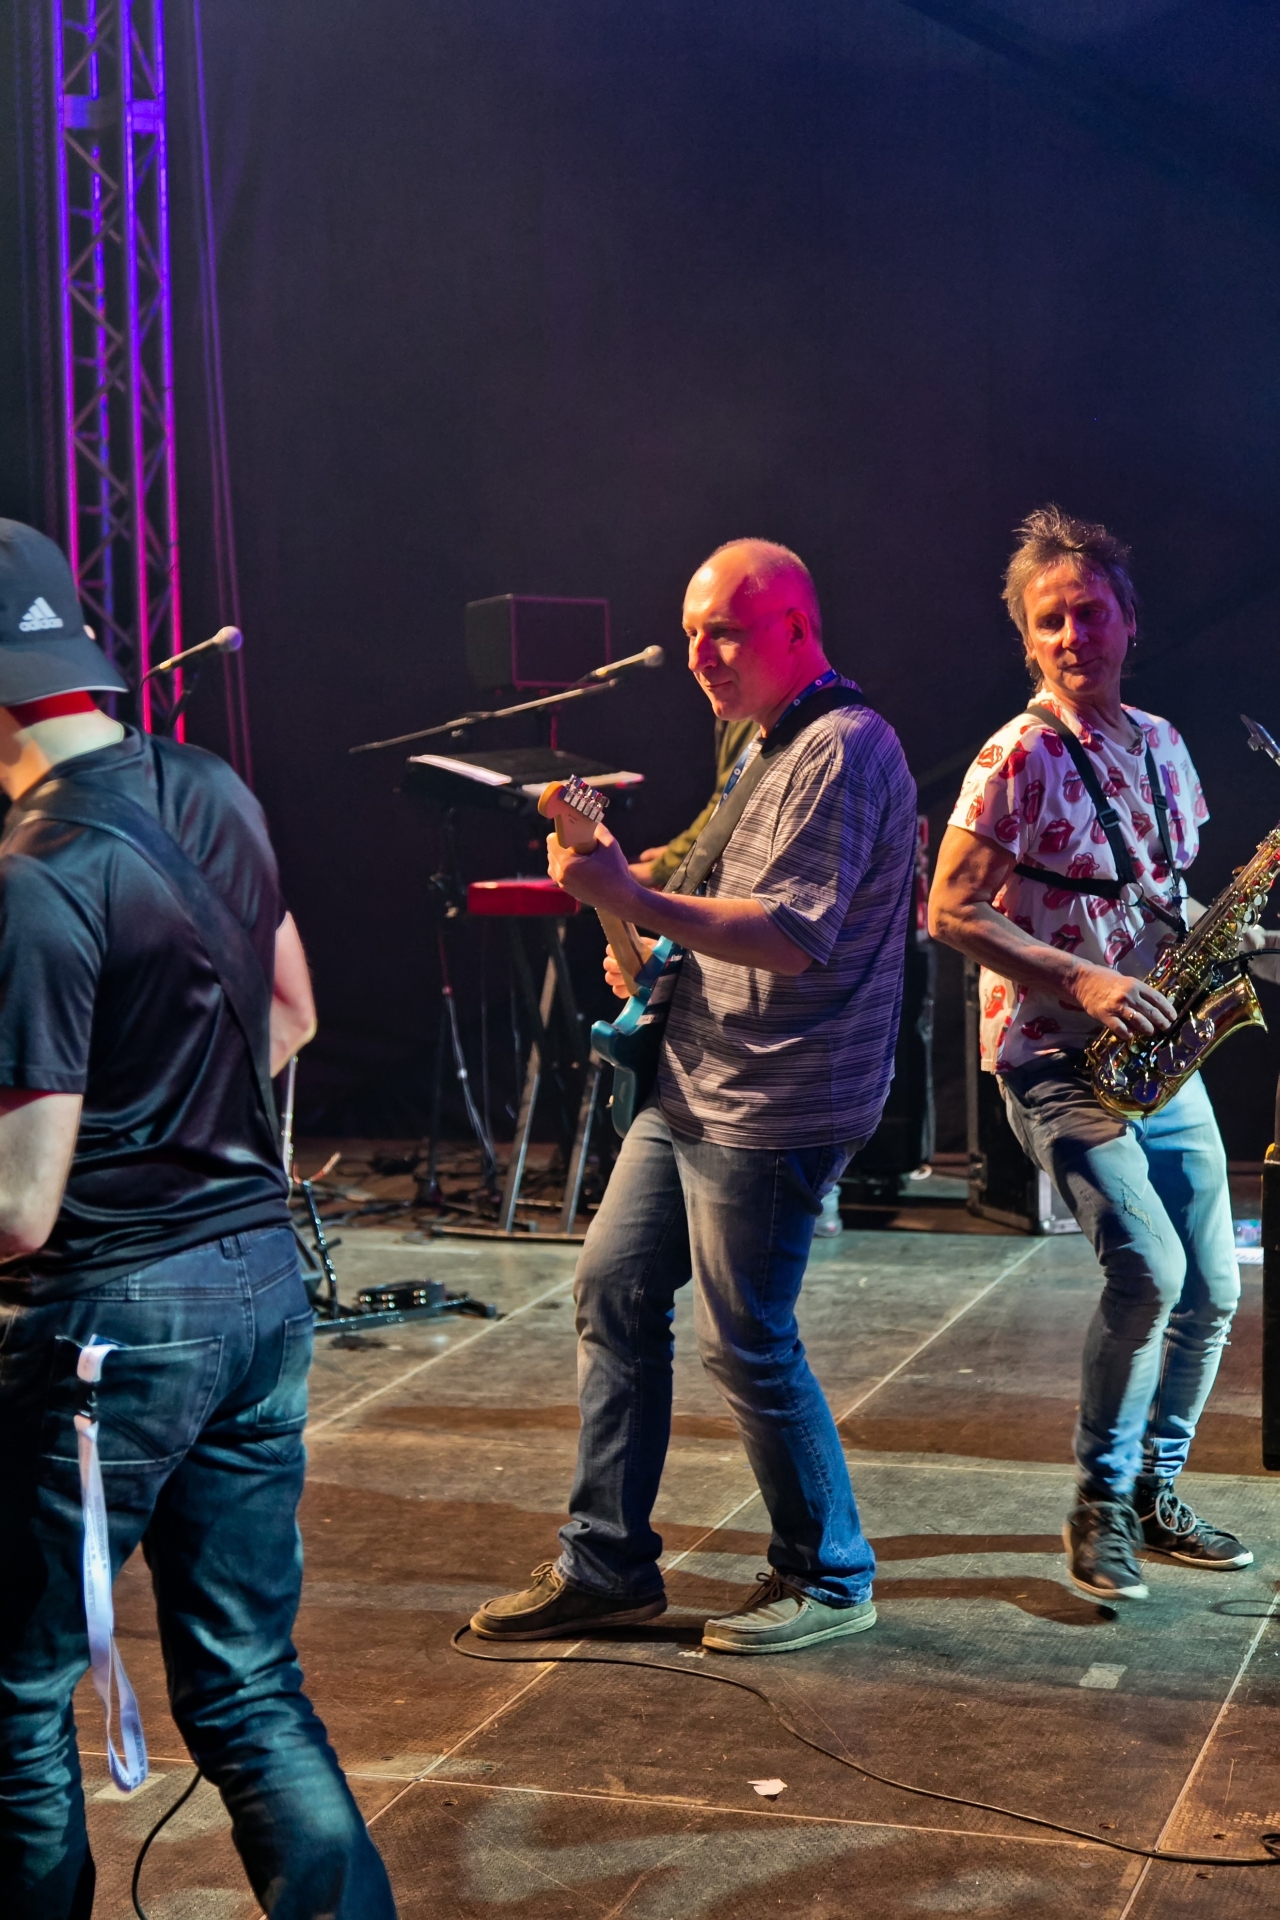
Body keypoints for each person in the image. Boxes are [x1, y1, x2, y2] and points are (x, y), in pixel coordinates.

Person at [0, 521, 396, 1919]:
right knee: (246, 1682)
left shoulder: (37, 874)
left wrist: (119, 1144)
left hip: (114, 1327)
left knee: (15, 1692)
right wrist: (170, 1118)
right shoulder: (212, 786)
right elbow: (289, 1013)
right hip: (260, 1291)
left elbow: (19, 1208)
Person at [473, 538, 917, 1654]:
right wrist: (628, 910)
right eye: (689, 635)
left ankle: (828, 1575)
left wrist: (629, 897)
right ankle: (607, 1566)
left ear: (795, 628)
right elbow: (712, 902)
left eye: (722, 631)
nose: (699, 656)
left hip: (775, 1099)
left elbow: (790, 936)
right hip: (695, 1081)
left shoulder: (844, 748)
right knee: (613, 1291)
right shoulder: (760, 741)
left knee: (747, 1339)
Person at [929, 504, 1275, 1603]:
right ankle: (1100, 1499)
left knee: (1213, 1288)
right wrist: (1078, 979)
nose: (1072, 636)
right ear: (1027, 641)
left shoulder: (1164, 745)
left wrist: (1240, 939)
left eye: (1088, 613)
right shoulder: (1017, 755)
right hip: (1052, 1056)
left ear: (1128, 622)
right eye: (1050, 621)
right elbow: (948, 910)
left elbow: (1162, 896)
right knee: (1150, 1271)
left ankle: (1152, 1494)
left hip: (1160, 1052)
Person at [629, 715, 758, 888]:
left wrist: (663, 868)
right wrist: (674, 855)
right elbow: (726, 797)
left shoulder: (750, 713)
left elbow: (733, 801)